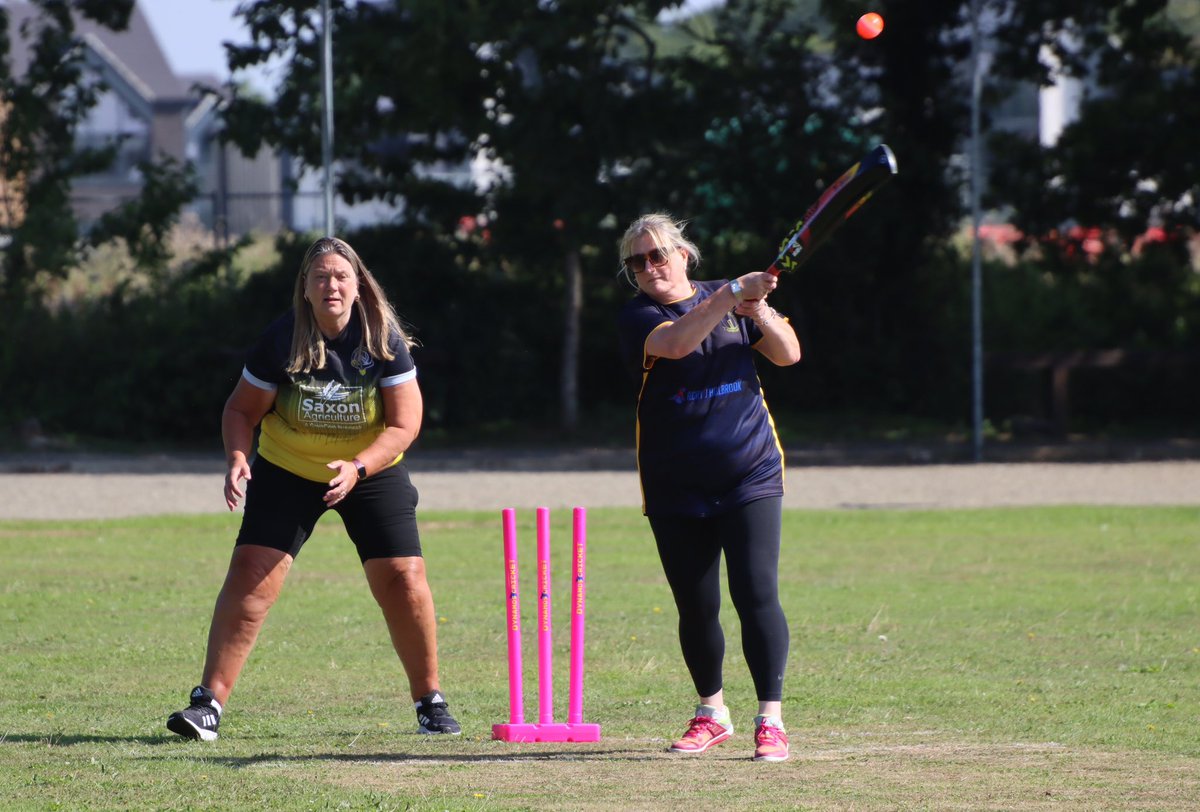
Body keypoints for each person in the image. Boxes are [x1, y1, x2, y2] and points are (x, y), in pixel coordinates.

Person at [167, 236, 460, 741]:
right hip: (287, 468)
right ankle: (207, 704)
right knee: (253, 573)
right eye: (321, 276)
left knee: (404, 578)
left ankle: (430, 701)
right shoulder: (281, 339)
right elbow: (240, 410)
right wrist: (238, 455)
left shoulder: (381, 338)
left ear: (358, 285)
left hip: (371, 469)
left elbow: (404, 425)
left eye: (341, 276)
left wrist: (358, 468)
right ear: (305, 287)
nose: (331, 284)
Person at [616, 213, 802, 763]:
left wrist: (757, 308)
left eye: (659, 255)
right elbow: (676, 344)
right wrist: (731, 295)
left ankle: (771, 720)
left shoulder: (731, 301)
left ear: (684, 254)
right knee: (696, 605)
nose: (651, 267)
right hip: (675, 481)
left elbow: (788, 353)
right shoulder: (638, 317)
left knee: (756, 592)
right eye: (637, 262)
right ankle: (711, 712)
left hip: (751, 472)